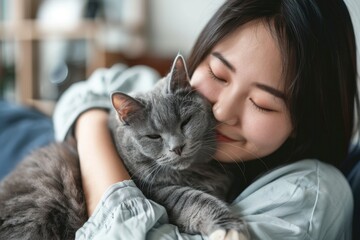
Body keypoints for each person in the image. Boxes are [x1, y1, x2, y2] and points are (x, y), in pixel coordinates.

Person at [0, 0, 355, 239]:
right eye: (218, 74)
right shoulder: (163, 93)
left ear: (308, 118)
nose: (221, 112)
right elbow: (92, 89)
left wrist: (94, 144)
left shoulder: (309, 194)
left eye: (261, 103)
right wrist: (93, 123)